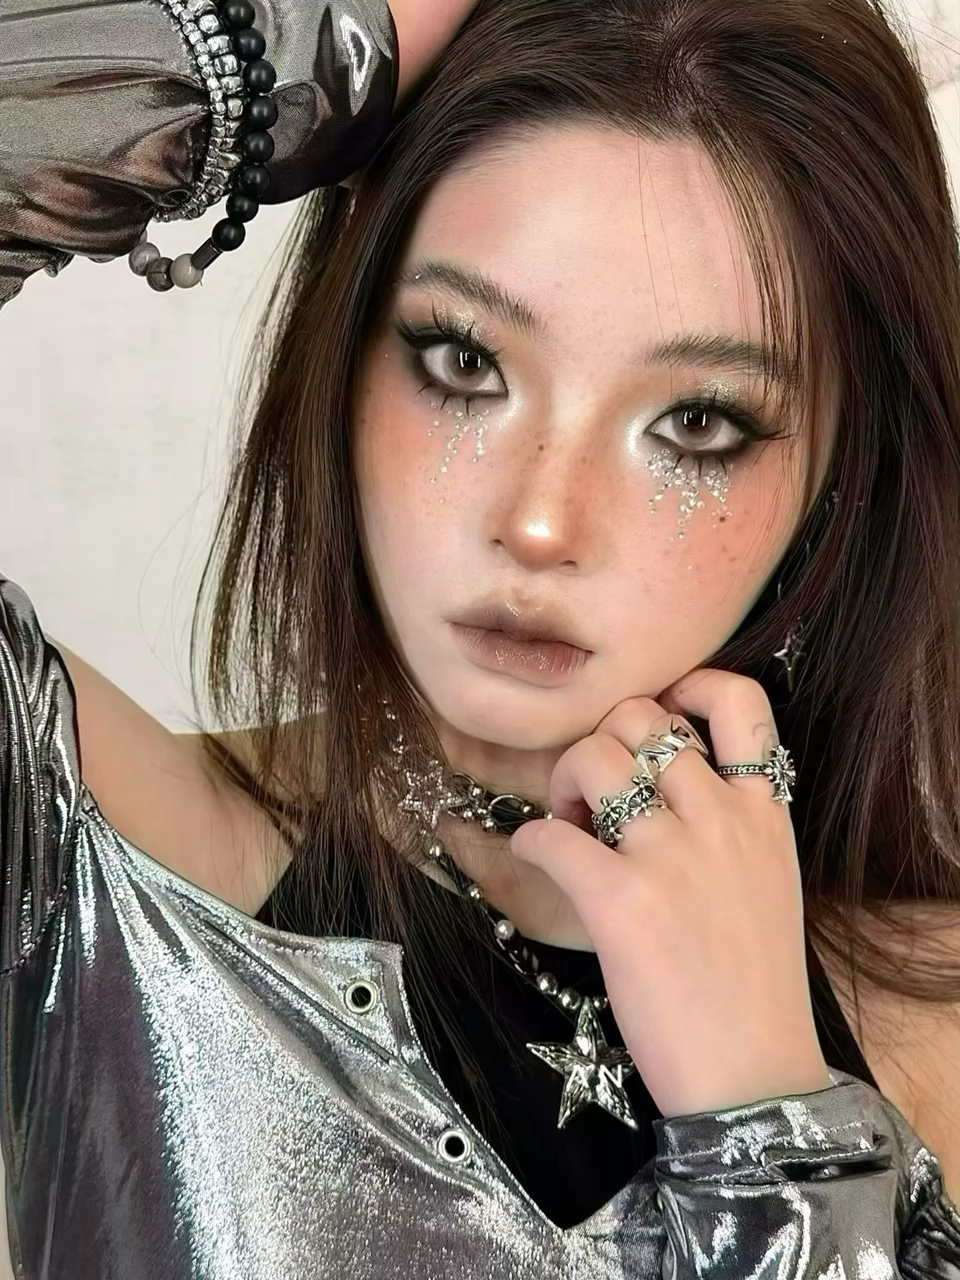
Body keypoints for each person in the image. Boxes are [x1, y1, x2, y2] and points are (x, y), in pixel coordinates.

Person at [2, 0, 960, 1275]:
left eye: (697, 423)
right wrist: (291, 59)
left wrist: (774, 1125)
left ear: (842, 471)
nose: (541, 519)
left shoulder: (937, 1021)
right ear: (348, 347)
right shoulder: (100, 871)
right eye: (463, 359)